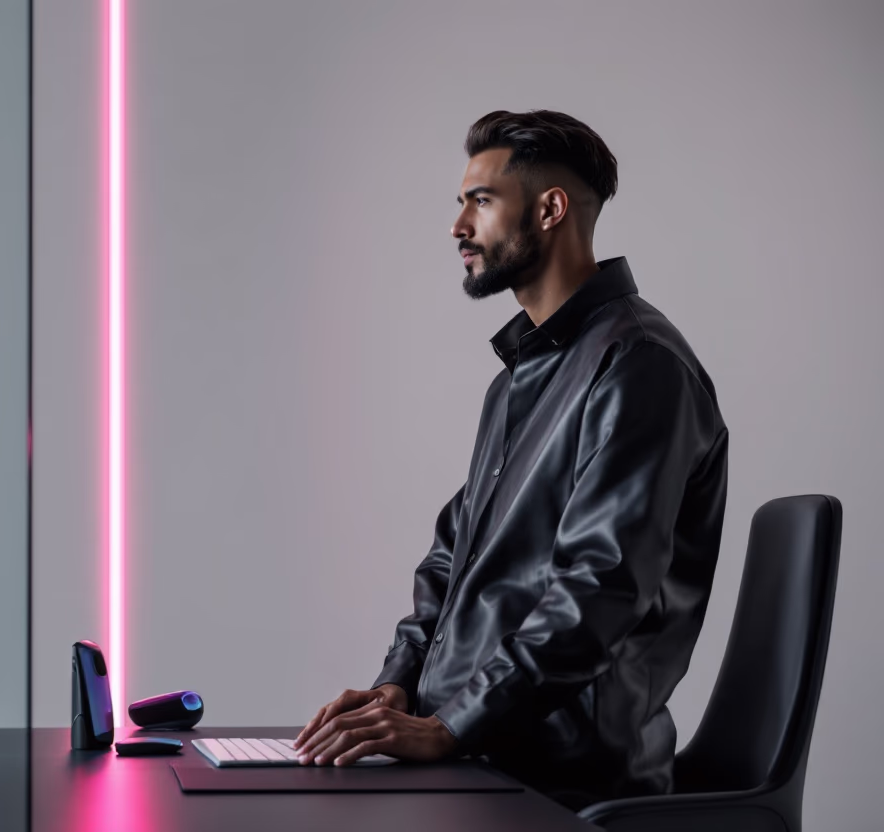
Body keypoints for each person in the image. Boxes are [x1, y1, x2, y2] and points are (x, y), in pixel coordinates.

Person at [292, 109, 729, 810]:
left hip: (552, 777)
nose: (458, 226)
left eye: (482, 201)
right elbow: (451, 555)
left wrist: (451, 728)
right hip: (471, 750)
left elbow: (600, 588)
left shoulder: (637, 363)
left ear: (550, 209)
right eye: (461, 202)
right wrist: (395, 686)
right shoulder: (521, 377)